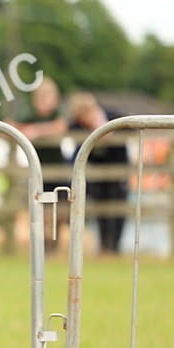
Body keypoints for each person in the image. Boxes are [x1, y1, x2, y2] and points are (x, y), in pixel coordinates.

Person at [12, 76, 70, 254]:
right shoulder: (30, 115)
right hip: (38, 173)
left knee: (59, 213)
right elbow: (10, 124)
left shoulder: (57, 115)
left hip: (58, 172)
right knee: (42, 214)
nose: (44, 101)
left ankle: (54, 245)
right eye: (41, 97)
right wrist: (25, 129)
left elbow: (61, 126)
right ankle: (43, 248)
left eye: (48, 96)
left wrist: (36, 131)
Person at [68, 92, 128, 255]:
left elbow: (132, 127)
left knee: (118, 208)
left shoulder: (113, 116)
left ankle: (115, 247)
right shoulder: (77, 125)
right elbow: (72, 136)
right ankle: (105, 247)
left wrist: (107, 129)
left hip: (118, 170)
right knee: (100, 209)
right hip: (96, 173)